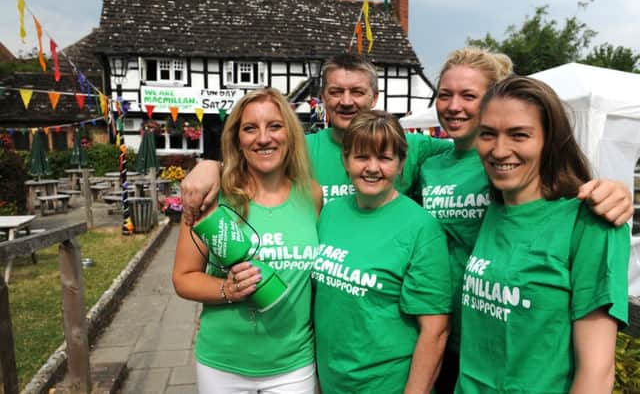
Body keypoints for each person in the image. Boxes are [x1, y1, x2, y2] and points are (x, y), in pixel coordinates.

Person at [420, 47, 634, 393]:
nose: (500, 149)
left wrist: (618, 190)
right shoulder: (495, 206)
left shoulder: (590, 223)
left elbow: (596, 372)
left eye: (519, 134)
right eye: (488, 134)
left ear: (550, 140)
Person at [179, 53, 453, 223]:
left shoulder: (411, 145)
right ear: (323, 97)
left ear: (375, 97)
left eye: (357, 92)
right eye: (336, 92)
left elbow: (469, 150)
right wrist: (210, 167)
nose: (346, 102)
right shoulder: (300, 149)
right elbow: (248, 163)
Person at [172, 88, 323, 394]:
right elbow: (183, 278)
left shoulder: (312, 195)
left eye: (275, 126)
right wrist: (227, 290)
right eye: (250, 128)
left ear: (290, 134)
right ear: (237, 140)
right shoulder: (212, 197)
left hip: (293, 363)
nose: (263, 138)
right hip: (223, 363)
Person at [313, 110, 451, 393]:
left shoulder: (421, 228)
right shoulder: (330, 213)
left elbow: (435, 331)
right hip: (332, 380)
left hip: (387, 383)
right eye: (362, 157)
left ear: (400, 164)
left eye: (385, 158)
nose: (372, 168)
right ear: (345, 160)